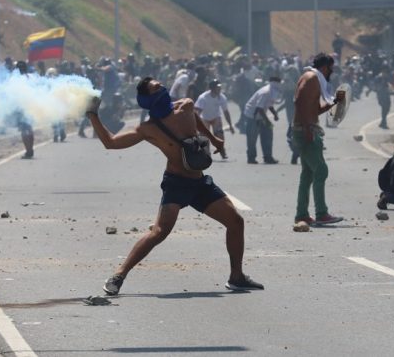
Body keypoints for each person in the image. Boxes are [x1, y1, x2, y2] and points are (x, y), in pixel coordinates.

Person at [87, 77, 263, 295]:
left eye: (162, 86)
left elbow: (195, 120)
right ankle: (119, 275)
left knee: (236, 222)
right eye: (156, 89)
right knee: (160, 231)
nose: (162, 89)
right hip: (176, 184)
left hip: (199, 182)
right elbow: (110, 142)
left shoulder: (186, 106)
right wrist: (92, 115)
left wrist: (213, 139)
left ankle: (236, 277)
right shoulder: (148, 129)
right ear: (147, 100)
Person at [292, 53, 344, 226]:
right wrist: (307, 127)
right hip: (305, 130)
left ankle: (301, 214)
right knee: (321, 170)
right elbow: (299, 101)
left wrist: (334, 101)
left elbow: (313, 110)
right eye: (331, 68)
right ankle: (321, 213)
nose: (332, 72)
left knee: (308, 173)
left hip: (306, 128)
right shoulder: (312, 78)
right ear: (324, 67)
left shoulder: (313, 78)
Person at [243, 76, 281, 164]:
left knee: (268, 134)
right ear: (274, 83)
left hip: (261, 115)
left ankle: (268, 157)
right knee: (252, 138)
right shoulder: (266, 92)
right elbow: (259, 108)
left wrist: (274, 113)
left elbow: (269, 104)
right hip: (252, 115)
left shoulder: (273, 91)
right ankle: (251, 158)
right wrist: (267, 121)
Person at [194, 79, 234, 159]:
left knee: (219, 135)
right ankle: (206, 153)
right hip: (205, 118)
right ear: (212, 88)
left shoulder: (222, 97)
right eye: (217, 88)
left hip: (216, 117)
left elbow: (226, 112)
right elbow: (198, 112)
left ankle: (222, 151)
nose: (219, 89)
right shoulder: (203, 97)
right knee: (205, 137)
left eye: (220, 87)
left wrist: (230, 125)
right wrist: (196, 125)